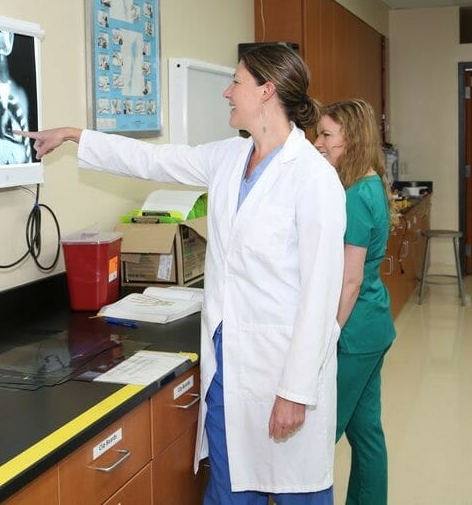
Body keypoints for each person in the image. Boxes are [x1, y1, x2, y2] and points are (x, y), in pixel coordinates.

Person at [18, 44, 346, 503]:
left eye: (236, 82)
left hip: (283, 366)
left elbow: (321, 295)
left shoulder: (313, 178)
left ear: (266, 91)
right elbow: (154, 161)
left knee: (297, 492)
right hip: (227, 363)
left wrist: (295, 391)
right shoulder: (230, 158)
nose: (227, 92)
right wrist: (77, 135)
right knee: (229, 487)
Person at [314, 99, 396, 505]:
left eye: (327, 135)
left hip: (353, 331)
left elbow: (348, 280)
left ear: (352, 139)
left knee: (318, 434)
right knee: (366, 432)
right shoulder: (370, 184)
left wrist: (324, 337)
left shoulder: (354, 195)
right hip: (373, 324)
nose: (318, 142)